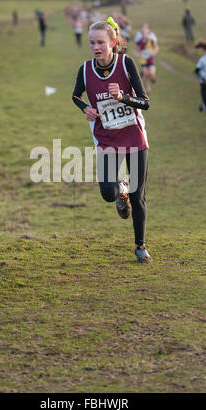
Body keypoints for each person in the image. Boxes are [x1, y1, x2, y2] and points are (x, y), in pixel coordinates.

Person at [72, 17, 152, 263]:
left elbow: (145, 102)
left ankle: (140, 246)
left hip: (133, 136)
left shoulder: (126, 64)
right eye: (92, 43)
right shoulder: (85, 70)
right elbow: (76, 96)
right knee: (108, 192)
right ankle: (120, 191)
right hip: (106, 137)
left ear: (113, 42)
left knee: (138, 197)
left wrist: (123, 98)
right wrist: (85, 107)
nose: (96, 47)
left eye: (101, 43)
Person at [134, 23, 159, 96]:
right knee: (145, 74)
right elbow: (135, 50)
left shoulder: (151, 40)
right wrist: (138, 54)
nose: (144, 34)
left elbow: (156, 47)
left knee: (151, 72)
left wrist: (153, 53)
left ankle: (153, 77)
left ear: (148, 32)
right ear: (141, 33)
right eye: (143, 33)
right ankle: (148, 88)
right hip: (143, 60)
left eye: (146, 33)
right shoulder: (139, 41)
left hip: (150, 58)